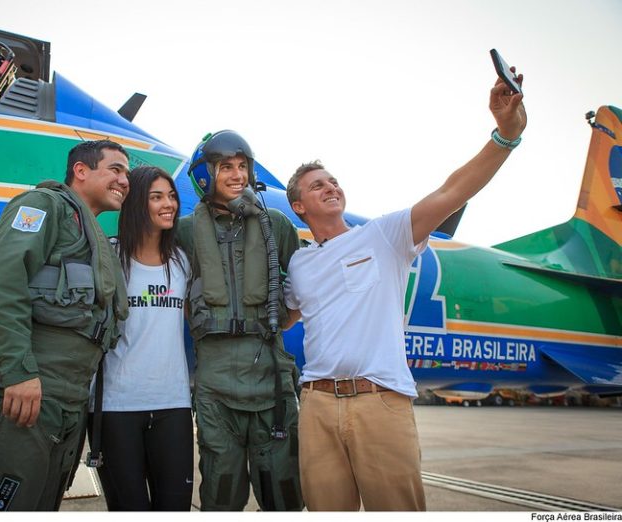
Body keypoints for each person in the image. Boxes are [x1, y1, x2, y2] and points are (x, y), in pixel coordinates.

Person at [283, 73, 527, 511]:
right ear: (299, 205)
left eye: (333, 181)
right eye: (317, 185)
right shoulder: (299, 264)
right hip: (316, 404)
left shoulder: (384, 236)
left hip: (379, 403)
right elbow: (282, 316)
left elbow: (452, 191)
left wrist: (505, 137)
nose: (330, 187)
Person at [0, 140, 130, 511]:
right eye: (115, 169)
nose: (125, 180)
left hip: (66, 402)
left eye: (126, 174)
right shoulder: (44, 207)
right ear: (81, 171)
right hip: (31, 390)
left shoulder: (95, 240)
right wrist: (19, 372)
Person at [176, 130, 303, 511]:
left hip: (271, 379)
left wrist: (278, 321)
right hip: (215, 384)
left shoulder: (276, 225)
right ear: (205, 174)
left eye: (243, 166)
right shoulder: (184, 232)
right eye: (226, 167)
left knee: (282, 490)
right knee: (221, 489)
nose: (237, 175)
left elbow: (300, 287)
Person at [87, 166, 193, 511]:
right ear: (136, 204)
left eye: (172, 195)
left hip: (173, 406)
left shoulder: (182, 262)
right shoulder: (107, 257)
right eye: (157, 196)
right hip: (116, 407)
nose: (169, 204)